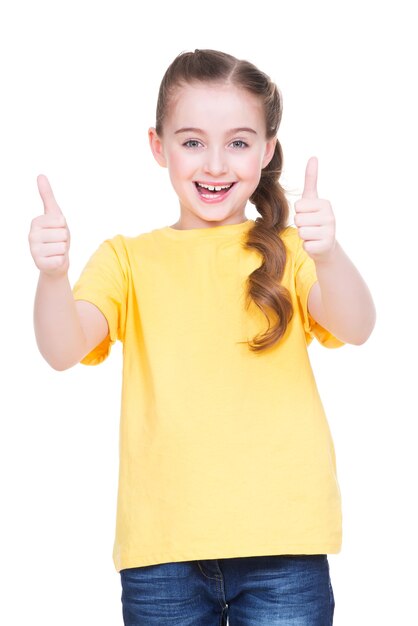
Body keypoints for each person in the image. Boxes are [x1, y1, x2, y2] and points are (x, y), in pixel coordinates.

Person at [28, 48, 376, 626]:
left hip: (282, 547)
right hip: (162, 554)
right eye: (192, 142)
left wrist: (329, 253)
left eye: (238, 143)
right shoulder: (127, 259)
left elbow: (358, 326)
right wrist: (51, 276)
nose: (215, 164)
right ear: (158, 146)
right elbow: (61, 349)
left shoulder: (290, 252)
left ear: (266, 152)